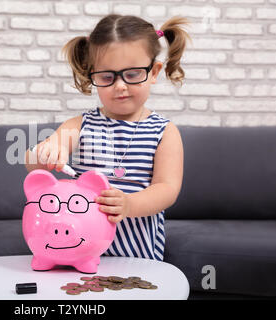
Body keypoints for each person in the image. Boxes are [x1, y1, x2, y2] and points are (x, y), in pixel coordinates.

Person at [25, 14, 190, 261]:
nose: (120, 86)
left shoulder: (164, 132)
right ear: (93, 77)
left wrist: (130, 205)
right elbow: (32, 163)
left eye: (132, 74)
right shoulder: (79, 126)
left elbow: (167, 189)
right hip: (78, 249)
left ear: (154, 72)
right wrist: (46, 150)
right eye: (107, 77)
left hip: (135, 252)